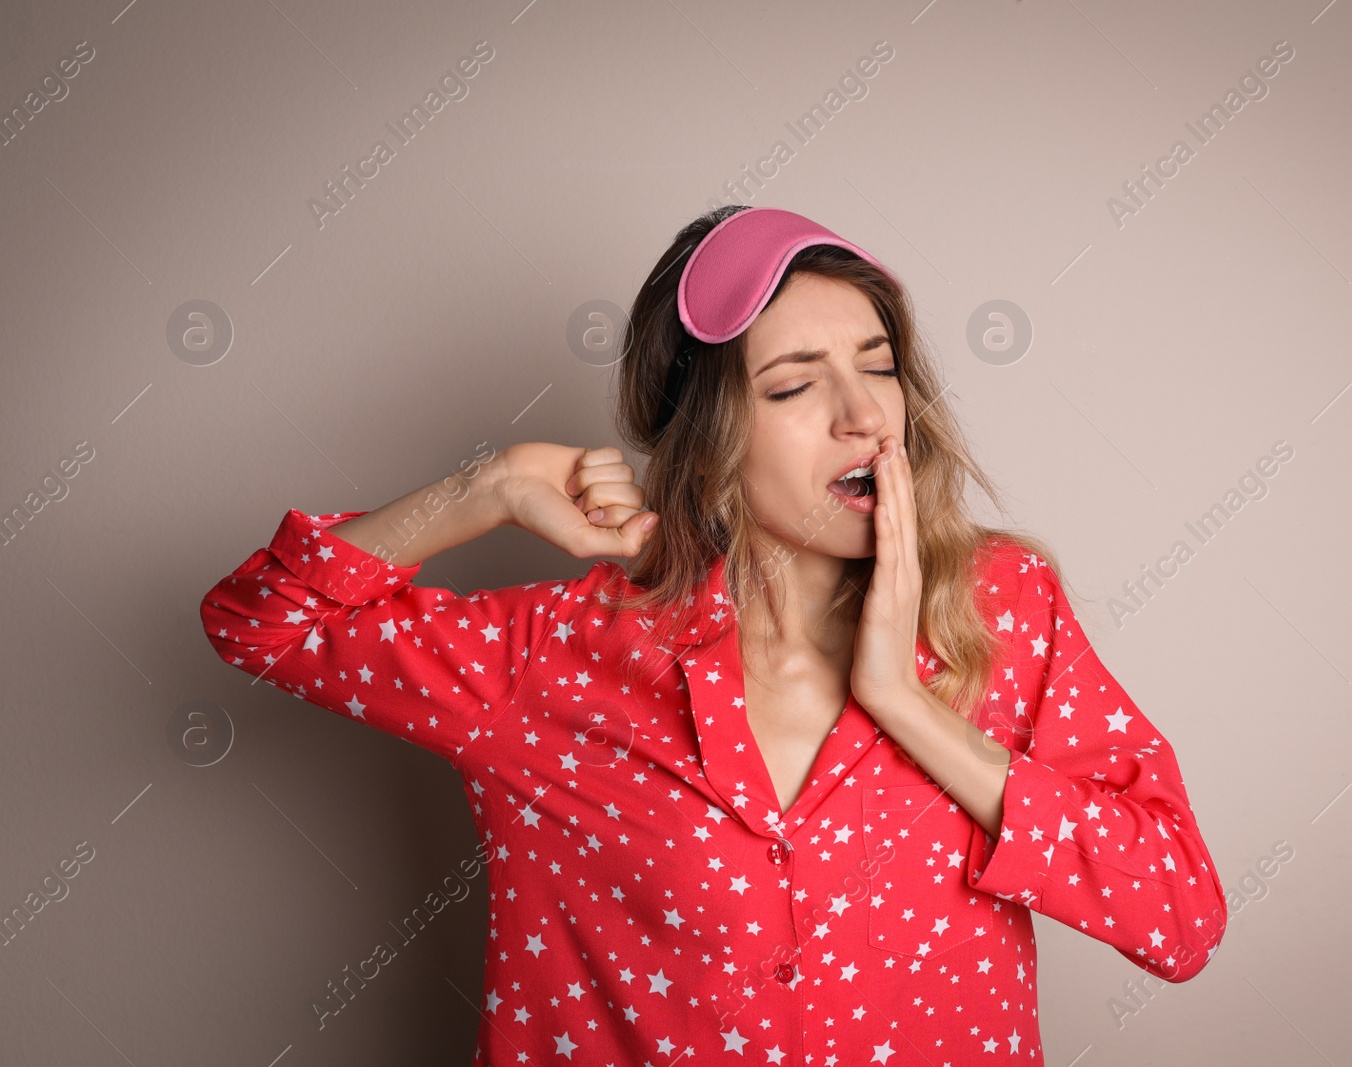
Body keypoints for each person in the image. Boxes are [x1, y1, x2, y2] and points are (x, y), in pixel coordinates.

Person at [200, 205, 1227, 1064]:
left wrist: (908, 707)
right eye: (792, 384)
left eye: (879, 366)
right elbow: (262, 620)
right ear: (708, 442)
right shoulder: (556, 653)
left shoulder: (1003, 607)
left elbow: (1178, 916)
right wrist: (492, 484)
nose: (863, 415)